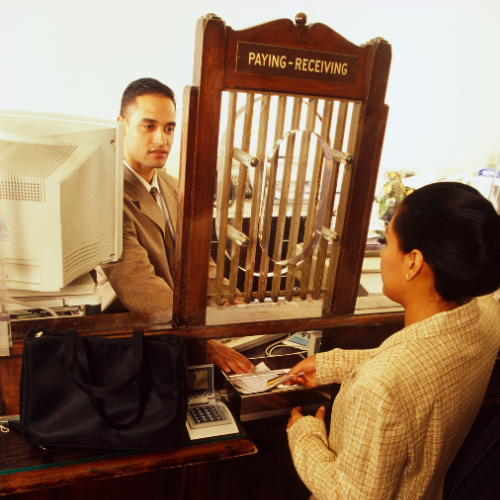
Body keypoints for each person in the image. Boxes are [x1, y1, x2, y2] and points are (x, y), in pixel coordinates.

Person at [285, 182, 500, 499]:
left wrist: (305, 436)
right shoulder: (488, 315)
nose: (383, 253)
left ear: (413, 262)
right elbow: (428, 358)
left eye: (387, 242)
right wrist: (335, 364)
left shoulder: (381, 388)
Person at [97, 78, 254, 374]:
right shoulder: (106, 195)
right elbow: (141, 289)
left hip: (179, 333)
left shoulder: (173, 187)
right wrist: (200, 340)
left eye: (169, 128)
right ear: (121, 125)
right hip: (131, 348)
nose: (162, 139)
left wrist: (233, 308)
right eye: (149, 126)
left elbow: (198, 263)